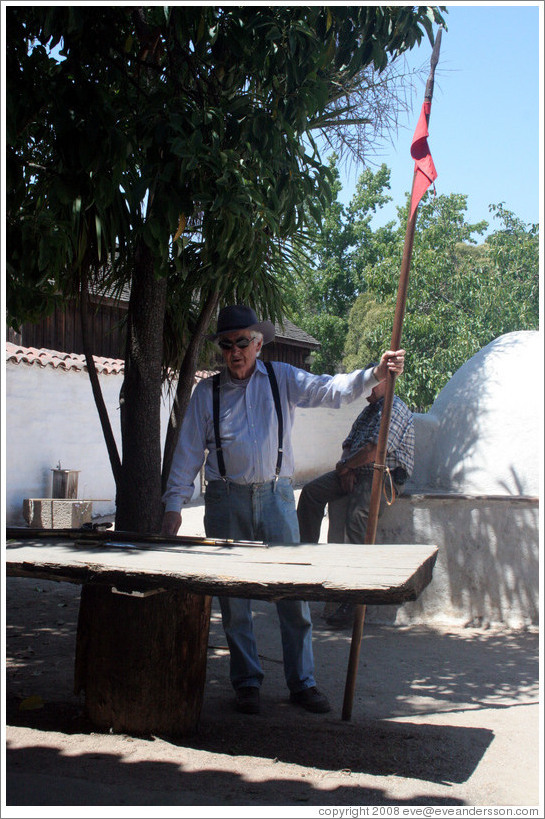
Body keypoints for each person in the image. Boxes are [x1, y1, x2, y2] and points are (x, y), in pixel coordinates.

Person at [162, 304, 405, 715]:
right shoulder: (208, 393)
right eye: (227, 344)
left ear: (258, 343)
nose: (234, 351)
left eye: (242, 342)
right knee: (233, 599)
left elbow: (331, 389)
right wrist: (172, 507)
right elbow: (187, 455)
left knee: (293, 595)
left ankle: (302, 682)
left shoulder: (282, 379)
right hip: (225, 502)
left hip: (275, 499)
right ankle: (247, 683)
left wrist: (375, 374)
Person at [296, 371, 415, 629]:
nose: (367, 389)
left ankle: (355, 599)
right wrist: (346, 467)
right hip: (356, 470)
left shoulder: (394, 408)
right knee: (311, 494)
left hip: (384, 476)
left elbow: (376, 451)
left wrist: (347, 467)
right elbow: (349, 442)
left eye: (374, 383)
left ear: (386, 383)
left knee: (357, 517)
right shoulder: (368, 411)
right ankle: (305, 565)